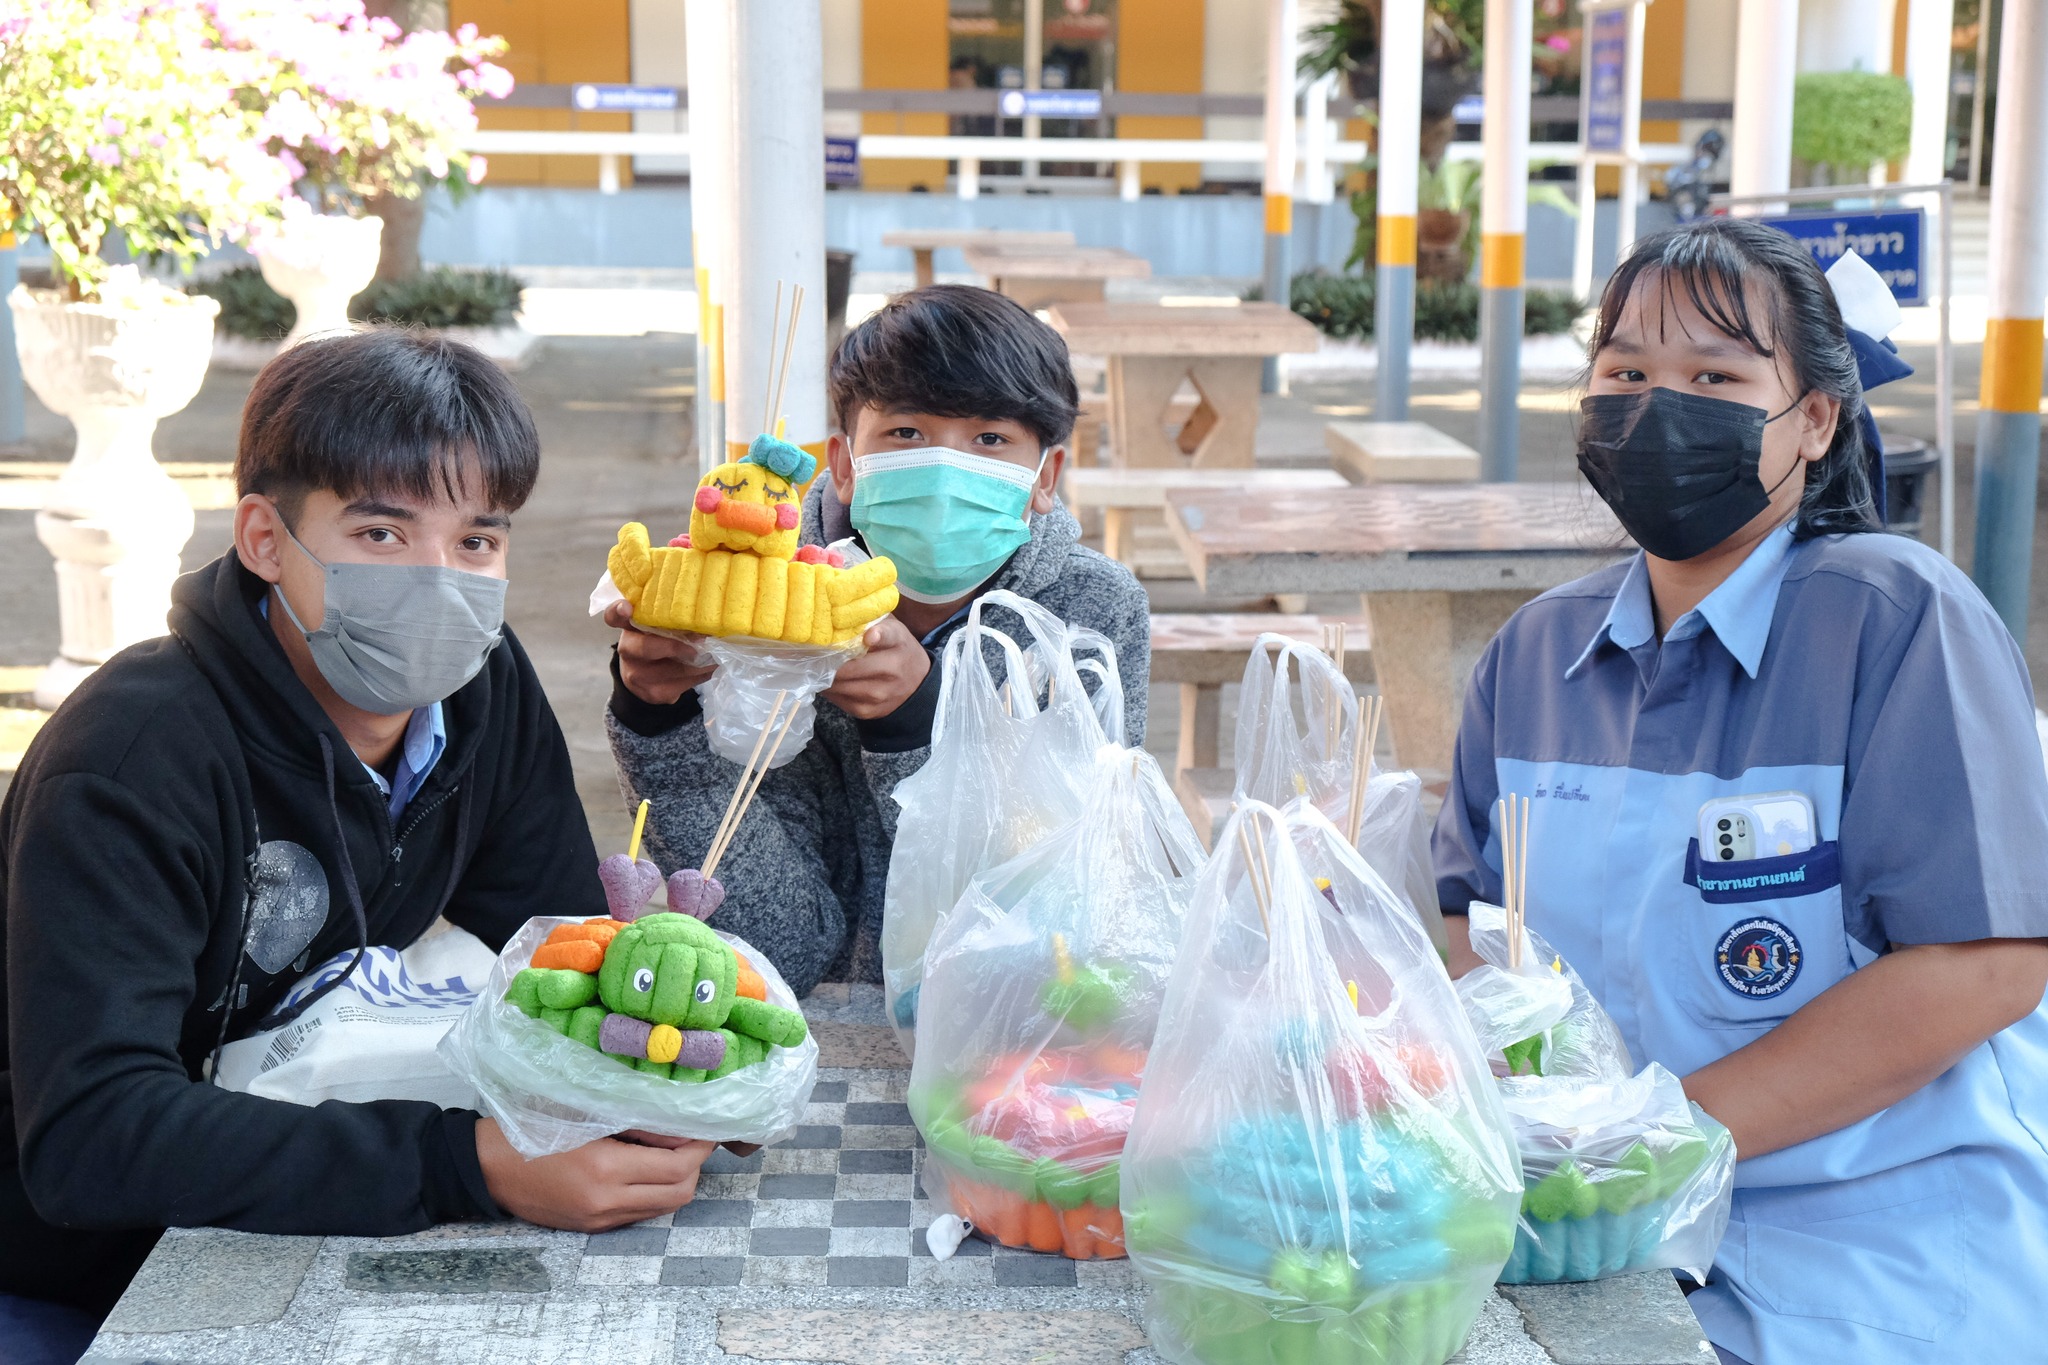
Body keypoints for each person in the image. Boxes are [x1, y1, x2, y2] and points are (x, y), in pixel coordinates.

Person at [0, 331, 715, 1359]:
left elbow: (553, 941)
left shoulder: (480, 686)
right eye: (381, 534)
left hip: (289, 1186)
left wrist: (659, 1076)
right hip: (73, 1266)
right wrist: (470, 1166)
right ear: (263, 537)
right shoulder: (132, 760)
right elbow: (90, 1139)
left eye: (476, 541)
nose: (440, 579)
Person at [1433, 217, 2048, 1363]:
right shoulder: (1535, 653)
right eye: (1623, 372)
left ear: (1812, 419)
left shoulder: (1894, 620)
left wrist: (1652, 1136)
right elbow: (1471, 927)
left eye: (1713, 376)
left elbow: (1985, 963)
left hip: (1861, 1251)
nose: (1655, 406)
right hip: (1585, 1237)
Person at [607, 284, 1149, 993]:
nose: (945, 471)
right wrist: (657, 718)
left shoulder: (1093, 612)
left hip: (997, 1035)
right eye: (906, 433)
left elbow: (1065, 915)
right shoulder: (751, 615)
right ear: (843, 463)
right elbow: (778, 950)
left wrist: (918, 724)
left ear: (1045, 475)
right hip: (800, 1026)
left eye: (990, 439)